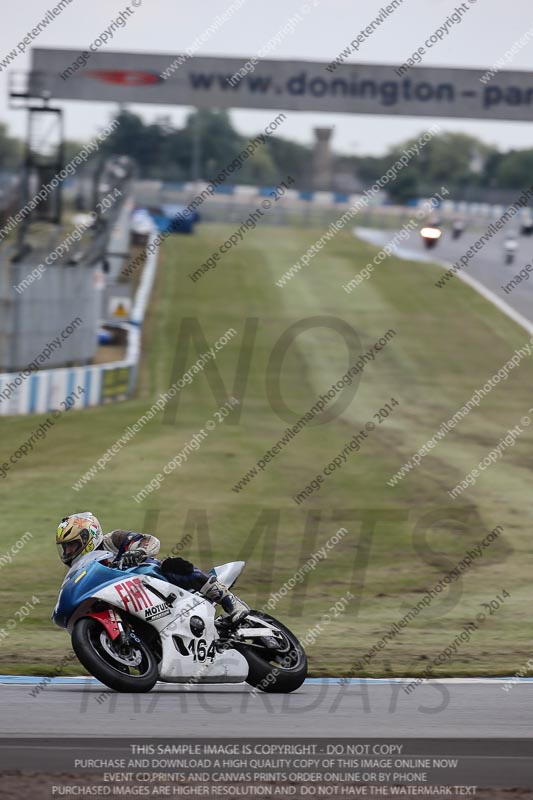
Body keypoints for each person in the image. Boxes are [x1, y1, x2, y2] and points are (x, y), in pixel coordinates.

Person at [56, 512, 249, 623]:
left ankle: (230, 602)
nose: (68, 551)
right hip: (125, 600)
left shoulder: (113, 539)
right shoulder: (82, 569)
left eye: (72, 545)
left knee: (171, 565)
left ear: (87, 537)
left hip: (147, 580)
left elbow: (150, 541)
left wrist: (138, 552)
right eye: (65, 547)